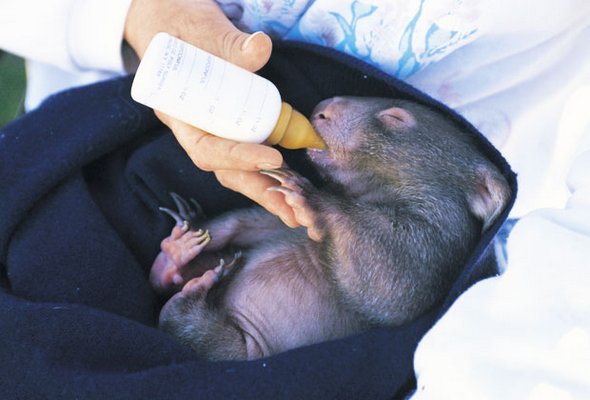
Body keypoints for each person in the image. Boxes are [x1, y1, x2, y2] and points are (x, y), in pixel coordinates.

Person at [1, 0, 589, 397]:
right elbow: (263, 225)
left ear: (481, 190)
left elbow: (387, 294)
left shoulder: (435, 225)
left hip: (258, 352)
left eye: (390, 122)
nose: (328, 113)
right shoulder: (326, 205)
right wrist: (132, 13)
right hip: (115, 125)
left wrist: (323, 211)